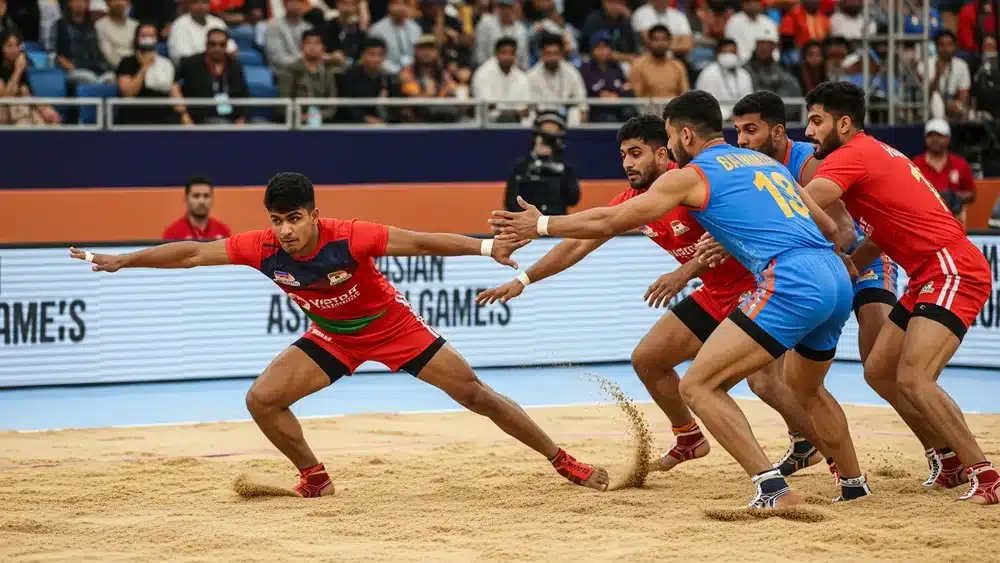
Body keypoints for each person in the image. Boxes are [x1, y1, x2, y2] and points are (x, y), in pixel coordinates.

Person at [71, 172, 609, 497]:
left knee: (476, 395)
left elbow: (421, 242)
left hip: (393, 329)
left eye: (294, 218)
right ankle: (314, 476)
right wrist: (124, 261)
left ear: (314, 215)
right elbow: (190, 253)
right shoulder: (262, 247)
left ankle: (562, 459)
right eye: (277, 220)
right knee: (261, 400)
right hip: (332, 338)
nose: (285, 230)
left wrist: (488, 248)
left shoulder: (350, 237)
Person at [490, 90, 871, 508]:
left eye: (648, 148)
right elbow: (828, 229)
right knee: (657, 360)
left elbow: (609, 221)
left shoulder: (687, 179)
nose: (629, 162)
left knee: (714, 384)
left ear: (681, 138)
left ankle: (774, 486)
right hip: (824, 275)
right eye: (623, 155)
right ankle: (851, 482)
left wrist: (542, 223)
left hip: (771, 285)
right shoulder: (760, 162)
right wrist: (525, 277)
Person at [800, 81, 998, 504]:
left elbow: (801, 204)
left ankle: (986, 475)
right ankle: (948, 458)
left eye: (816, 121)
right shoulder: (875, 152)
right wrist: (853, 264)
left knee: (914, 377)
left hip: (951, 268)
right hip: (930, 273)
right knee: (879, 370)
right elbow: (884, 232)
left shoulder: (851, 155)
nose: (809, 131)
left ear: (844, 123)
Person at [732, 90, 898, 478]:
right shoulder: (751, 169)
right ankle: (807, 442)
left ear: (777, 132)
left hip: (864, 258)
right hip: (819, 269)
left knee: (881, 368)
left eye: (750, 130)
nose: (741, 141)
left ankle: (943, 450)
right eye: (738, 131)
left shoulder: (808, 163)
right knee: (763, 378)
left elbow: (843, 231)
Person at [162, 176, 233, 241]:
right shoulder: (173, 233)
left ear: (212, 199)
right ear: (186, 199)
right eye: (196, 196)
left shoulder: (223, 231)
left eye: (206, 196)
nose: (201, 201)